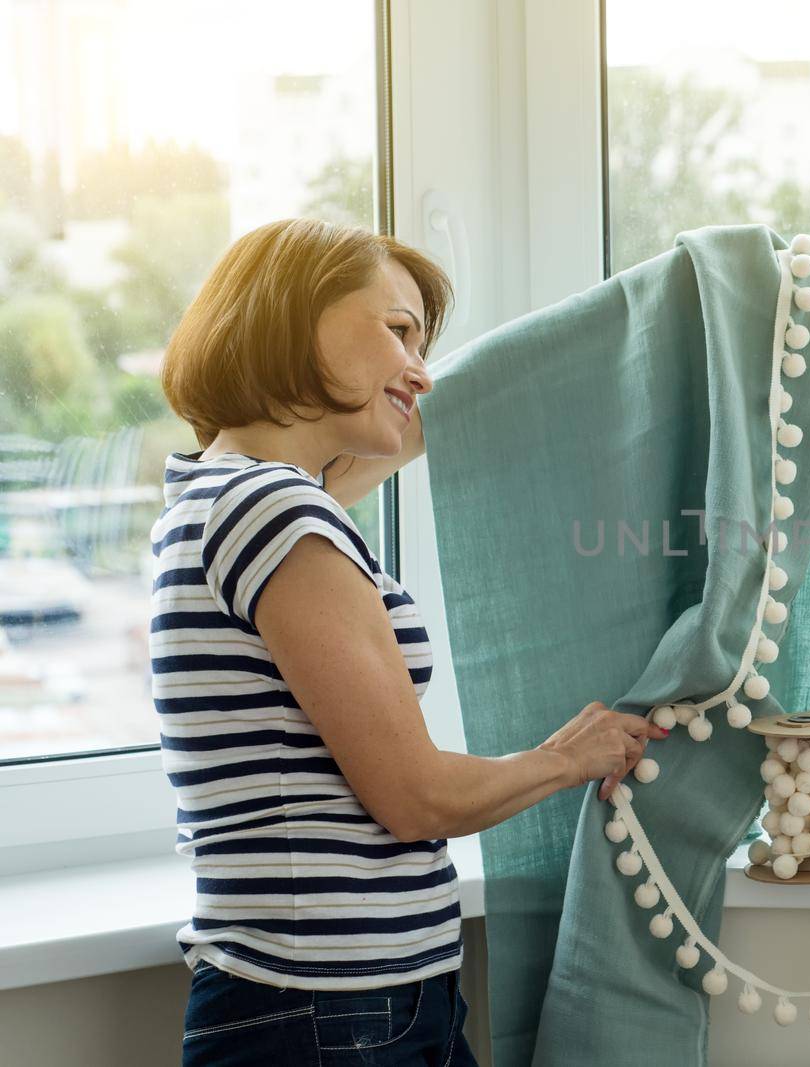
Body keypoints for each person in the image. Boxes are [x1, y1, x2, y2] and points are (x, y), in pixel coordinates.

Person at [152, 218, 665, 1066]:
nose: (420, 369)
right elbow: (415, 797)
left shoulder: (220, 494)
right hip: (333, 1011)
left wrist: (631, 318)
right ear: (292, 317)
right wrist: (570, 754)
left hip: (338, 1001)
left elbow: (423, 423)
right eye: (397, 331)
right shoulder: (276, 513)